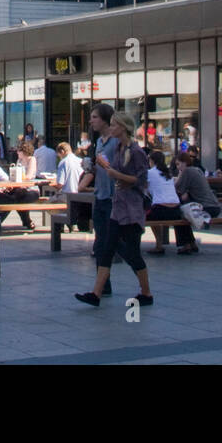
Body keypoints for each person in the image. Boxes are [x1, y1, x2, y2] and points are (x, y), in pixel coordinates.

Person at [75, 112, 153, 307]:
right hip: (118, 207)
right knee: (107, 248)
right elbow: (116, 172)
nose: (111, 128)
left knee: (132, 253)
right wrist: (105, 166)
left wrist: (116, 174)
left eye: (114, 125)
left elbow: (142, 180)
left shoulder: (136, 152)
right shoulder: (118, 148)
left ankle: (146, 293)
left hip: (131, 208)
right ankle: (96, 293)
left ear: (123, 127)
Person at [87, 103, 118, 296]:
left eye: (95, 117)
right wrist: (91, 167)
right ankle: (103, 287)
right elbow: (101, 168)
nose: (91, 121)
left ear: (106, 119)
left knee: (118, 244)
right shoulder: (99, 142)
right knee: (100, 243)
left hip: (114, 198)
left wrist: (102, 164)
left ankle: (143, 283)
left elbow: (118, 168)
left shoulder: (116, 142)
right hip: (100, 195)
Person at [145, 150, 195, 254]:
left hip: (161, 209)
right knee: (180, 217)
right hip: (176, 209)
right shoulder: (167, 174)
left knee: (147, 215)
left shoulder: (149, 173)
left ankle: (159, 245)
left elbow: (141, 187)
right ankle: (187, 244)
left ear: (152, 161)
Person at [173, 150, 218, 253]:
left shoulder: (187, 171)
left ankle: (185, 244)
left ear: (184, 162)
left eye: (178, 164)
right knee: (184, 212)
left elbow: (177, 189)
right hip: (214, 206)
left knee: (178, 214)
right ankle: (191, 243)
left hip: (205, 207)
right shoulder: (197, 170)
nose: (177, 167)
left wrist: (179, 176)